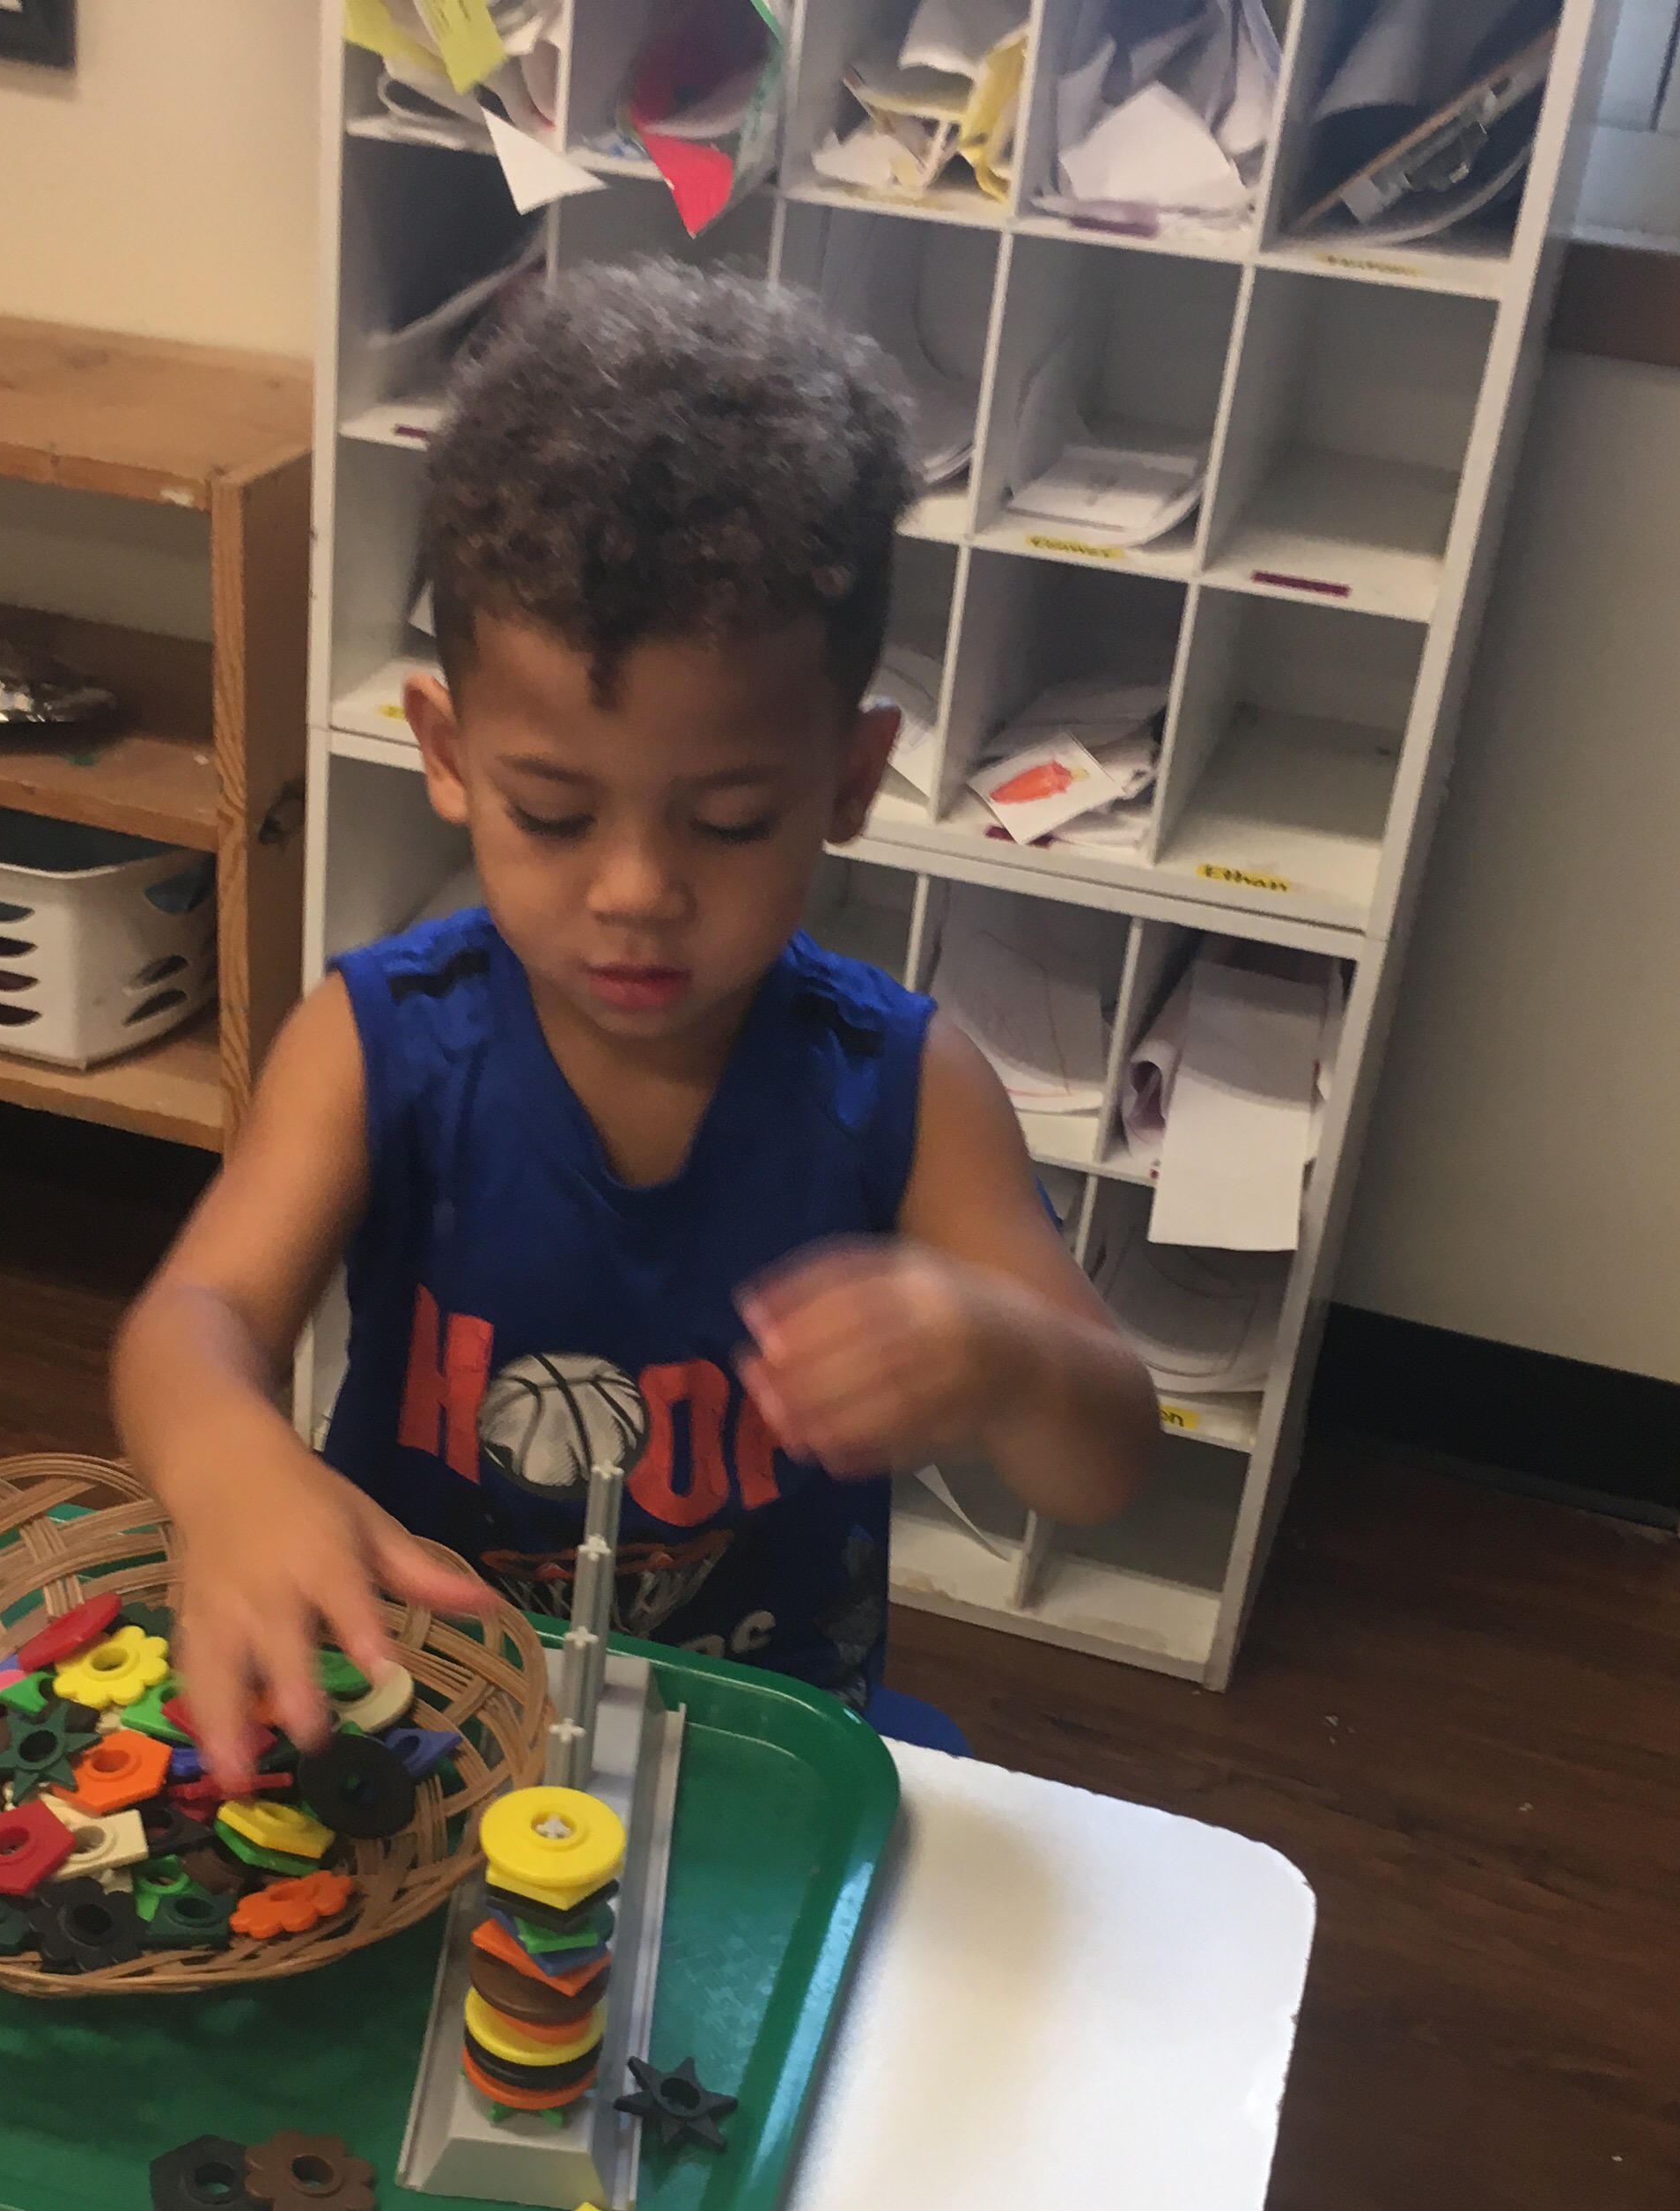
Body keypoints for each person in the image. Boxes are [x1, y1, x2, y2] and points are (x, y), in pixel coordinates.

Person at [112, 260, 1153, 1773]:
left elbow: (1105, 1465)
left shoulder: (909, 1087)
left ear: (852, 780)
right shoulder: (377, 1044)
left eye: (728, 822)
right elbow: (189, 1324)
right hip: (428, 1718)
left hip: (756, 1743)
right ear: (448, 754)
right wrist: (229, 1465)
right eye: (552, 812)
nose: (637, 893)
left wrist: (1005, 1354)